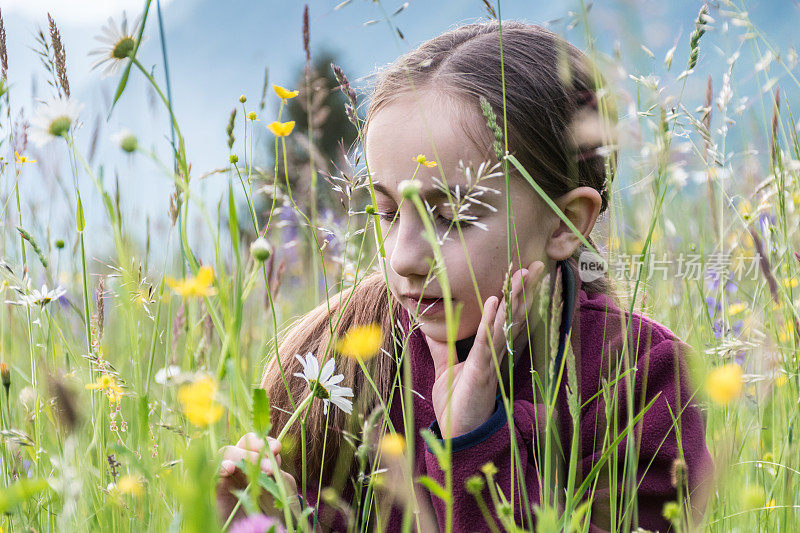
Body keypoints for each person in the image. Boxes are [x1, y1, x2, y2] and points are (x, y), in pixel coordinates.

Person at [217, 20, 714, 532]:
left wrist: (473, 442)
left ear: (567, 223)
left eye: (453, 216)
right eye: (387, 213)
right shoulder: (341, 363)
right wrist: (275, 522)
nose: (404, 259)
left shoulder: (645, 381)